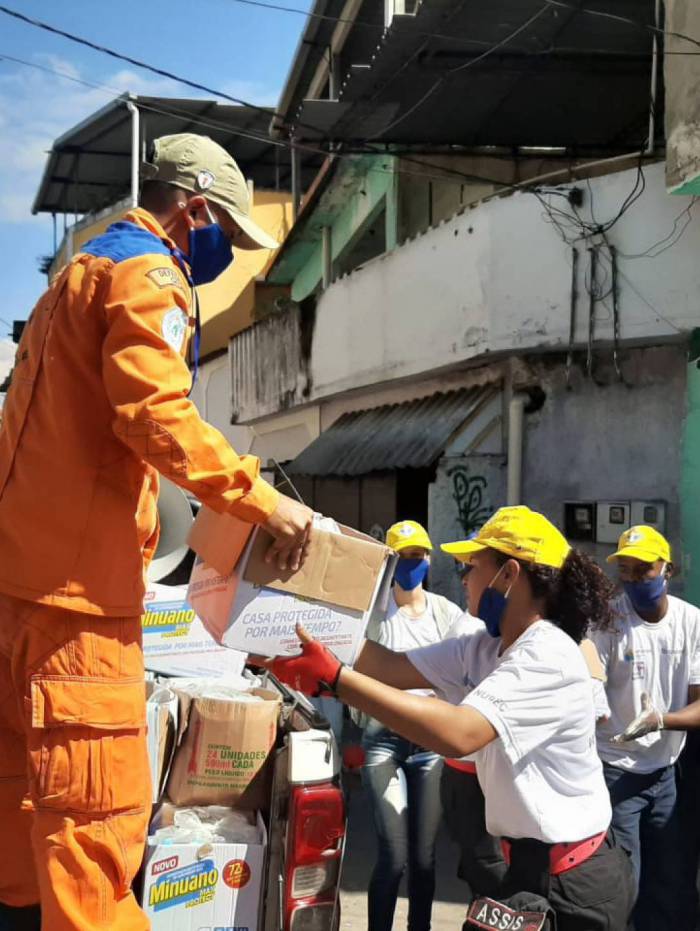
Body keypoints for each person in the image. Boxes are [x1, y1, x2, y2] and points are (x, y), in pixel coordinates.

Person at [0, 133, 313, 930]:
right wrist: (261, 501)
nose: (227, 259)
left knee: (21, 838)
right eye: (230, 240)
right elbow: (157, 415)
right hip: (80, 615)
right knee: (95, 832)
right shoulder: (148, 275)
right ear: (196, 212)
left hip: (21, 593)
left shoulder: (72, 275)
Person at [262, 506, 635, 930]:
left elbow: (461, 733)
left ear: (508, 575)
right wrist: (291, 629)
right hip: (524, 865)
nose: (463, 579)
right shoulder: (482, 646)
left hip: (575, 882)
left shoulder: (547, 654)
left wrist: (335, 679)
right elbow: (388, 666)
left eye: (472, 566)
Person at [590, 525, 700, 931]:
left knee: (670, 883)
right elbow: (592, 684)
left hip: (667, 771)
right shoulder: (608, 620)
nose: (635, 579)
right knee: (624, 883)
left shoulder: (692, 622)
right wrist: (596, 709)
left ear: (667, 568)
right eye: (628, 571)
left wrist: (661, 720)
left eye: (645, 570)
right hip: (616, 770)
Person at [358, 520, 462, 931]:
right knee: (393, 855)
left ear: (429, 560)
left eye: (417, 556)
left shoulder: (446, 614)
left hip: (429, 744)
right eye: (402, 557)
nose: (410, 564)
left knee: (424, 857)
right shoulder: (373, 612)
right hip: (382, 741)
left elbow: (463, 670)